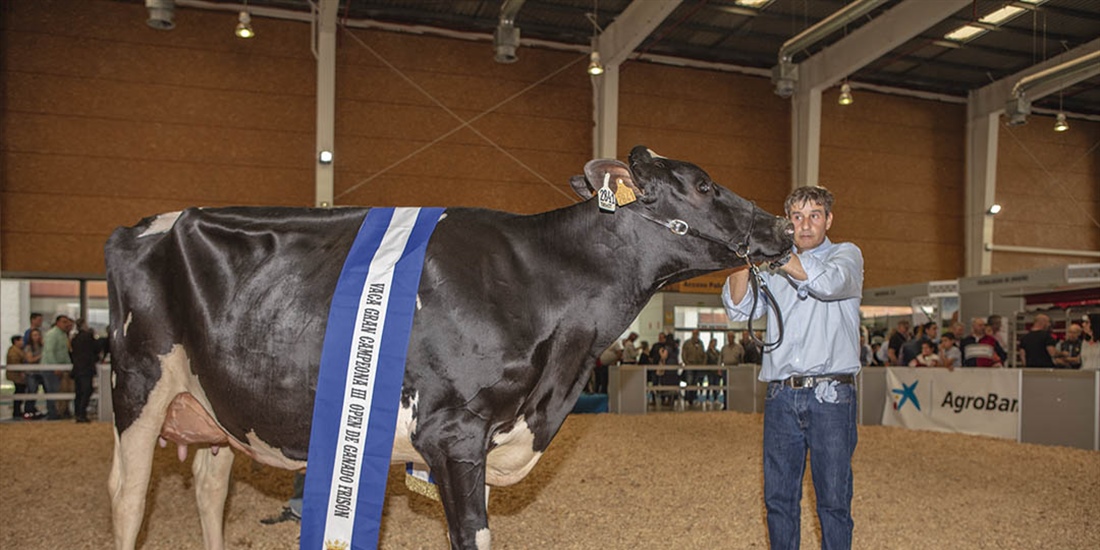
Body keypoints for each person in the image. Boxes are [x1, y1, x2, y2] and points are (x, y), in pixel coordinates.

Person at [722, 185, 863, 549]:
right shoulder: (774, 267)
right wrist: (740, 254)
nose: (804, 224)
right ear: (788, 221)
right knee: (778, 500)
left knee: (833, 500)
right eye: (797, 216)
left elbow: (828, 284)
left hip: (831, 396)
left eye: (814, 215)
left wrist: (776, 252)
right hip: (781, 396)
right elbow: (740, 309)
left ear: (828, 220)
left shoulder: (847, 255)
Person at [41, 315, 74, 419]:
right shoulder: (52, 334)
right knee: (52, 391)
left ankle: (61, 412)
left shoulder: (63, 335)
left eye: (67, 322)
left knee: (62, 391)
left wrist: (69, 367)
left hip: (62, 368)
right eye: (64, 322)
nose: (66, 324)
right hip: (51, 368)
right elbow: (49, 352)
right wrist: (54, 367)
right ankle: (52, 413)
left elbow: (64, 353)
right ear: (57, 323)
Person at [70, 319, 100, 423]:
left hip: (77, 368)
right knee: (87, 390)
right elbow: (96, 348)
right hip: (86, 367)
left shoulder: (75, 338)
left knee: (79, 391)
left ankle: (78, 413)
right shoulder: (88, 336)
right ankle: (82, 414)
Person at [22, 328, 45, 419]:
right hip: (31, 373)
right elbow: (30, 359)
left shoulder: (42, 346)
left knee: (45, 390)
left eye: (38, 335)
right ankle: (28, 411)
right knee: (32, 391)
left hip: (41, 371)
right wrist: (41, 355)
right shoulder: (28, 347)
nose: (37, 337)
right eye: (34, 335)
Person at [6, 335, 28, 419]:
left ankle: (17, 410)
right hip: (16, 375)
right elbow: (15, 362)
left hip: (18, 374)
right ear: (16, 341)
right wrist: (20, 371)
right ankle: (16, 411)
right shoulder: (13, 351)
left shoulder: (18, 350)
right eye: (21, 340)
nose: (22, 342)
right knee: (19, 391)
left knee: (20, 391)